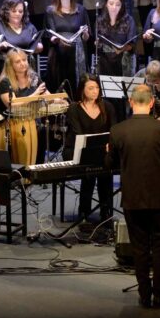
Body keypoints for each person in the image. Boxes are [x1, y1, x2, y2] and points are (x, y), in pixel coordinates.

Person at [106, 83, 160, 309]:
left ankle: (144, 294)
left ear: (130, 103)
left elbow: (110, 165)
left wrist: (109, 153)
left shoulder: (118, 130)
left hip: (133, 197)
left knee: (139, 247)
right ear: (151, 103)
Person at [64, 74, 117, 228]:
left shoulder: (107, 106)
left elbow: (113, 130)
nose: (95, 91)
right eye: (91, 88)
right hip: (77, 149)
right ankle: (84, 211)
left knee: (105, 166)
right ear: (82, 90)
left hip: (101, 150)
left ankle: (106, 211)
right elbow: (78, 134)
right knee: (91, 167)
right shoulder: (74, 108)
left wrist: (110, 145)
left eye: (97, 88)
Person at [44, 0, 90, 97]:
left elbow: (86, 38)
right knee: (58, 90)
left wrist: (85, 33)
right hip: (58, 55)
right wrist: (55, 39)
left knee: (75, 90)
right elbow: (50, 33)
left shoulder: (81, 10)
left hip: (76, 55)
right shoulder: (51, 10)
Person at [0, 0, 44, 81]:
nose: (17, 14)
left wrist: (38, 47)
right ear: (7, 12)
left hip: (26, 70)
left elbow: (39, 45)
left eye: (20, 11)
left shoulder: (29, 27)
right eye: (14, 11)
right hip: (5, 70)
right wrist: (0, 46)